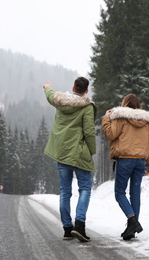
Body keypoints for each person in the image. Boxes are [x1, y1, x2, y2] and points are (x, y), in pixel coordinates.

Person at [43, 77, 97, 242]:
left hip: (62, 152)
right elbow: (88, 131)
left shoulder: (61, 102)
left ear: (73, 87)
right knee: (85, 188)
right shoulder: (86, 106)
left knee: (65, 191)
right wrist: (92, 150)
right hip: (80, 153)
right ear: (86, 91)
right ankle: (79, 225)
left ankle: (67, 228)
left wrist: (47, 87)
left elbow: (51, 95)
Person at [101, 93, 149, 241]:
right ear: (138, 106)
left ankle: (132, 221)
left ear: (124, 104)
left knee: (119, 193)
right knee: (135, 193)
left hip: (125, 159)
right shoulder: (146, 122)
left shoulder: (120, 117)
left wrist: (106, 118)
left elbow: (111, 134)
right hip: (140, 161)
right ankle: (132, 229)